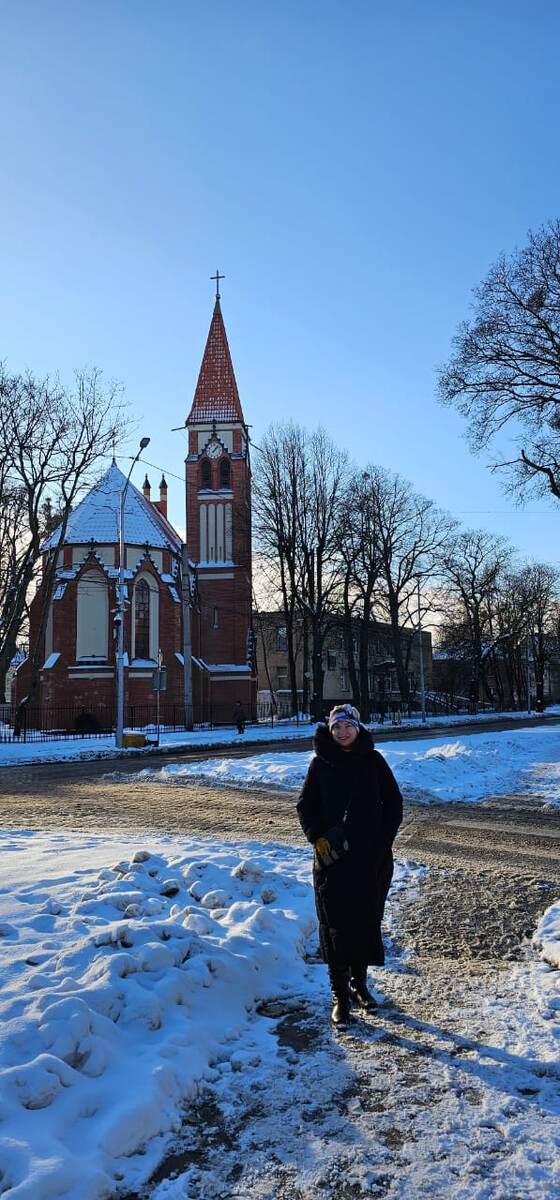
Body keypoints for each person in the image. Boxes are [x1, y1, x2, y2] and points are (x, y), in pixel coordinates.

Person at [296, 703, 403, 1027]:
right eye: (337, 727)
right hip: (333, 860)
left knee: (365, 922)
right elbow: (305, 806)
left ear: (358, 728)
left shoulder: (373, 761)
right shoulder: (320, 764)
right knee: (336, 927)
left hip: (370, 859)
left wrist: (382, 841)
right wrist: (319, 838)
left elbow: (393, 802)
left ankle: (359, 985)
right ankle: (340, 997)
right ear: (330, 731)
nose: (343, 732)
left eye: (348, 726)